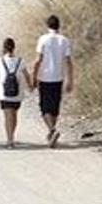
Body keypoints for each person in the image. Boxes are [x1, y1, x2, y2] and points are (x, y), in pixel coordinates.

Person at [31, 14, 73, 147]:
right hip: (58, 77)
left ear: (47, 25)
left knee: (44, 107)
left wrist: (34, 77)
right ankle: (51, 134)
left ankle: (52, 130)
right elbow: (68, 62)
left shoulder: (43, 39)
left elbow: (38, 60)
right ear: (58, 26)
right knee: (54, 107)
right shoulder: (64, 40)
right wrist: (70, 79)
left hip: (45, 77)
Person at [0, 37, 32, 148]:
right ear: (14, 47)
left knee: (7, 116)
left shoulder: (0, 61)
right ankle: (12, 135)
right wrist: (30, 86)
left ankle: (9, 140)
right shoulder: (20, 61)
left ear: (4, 48)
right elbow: (26, 75)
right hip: (17, 93)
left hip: (4, 93)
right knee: (14, 115)